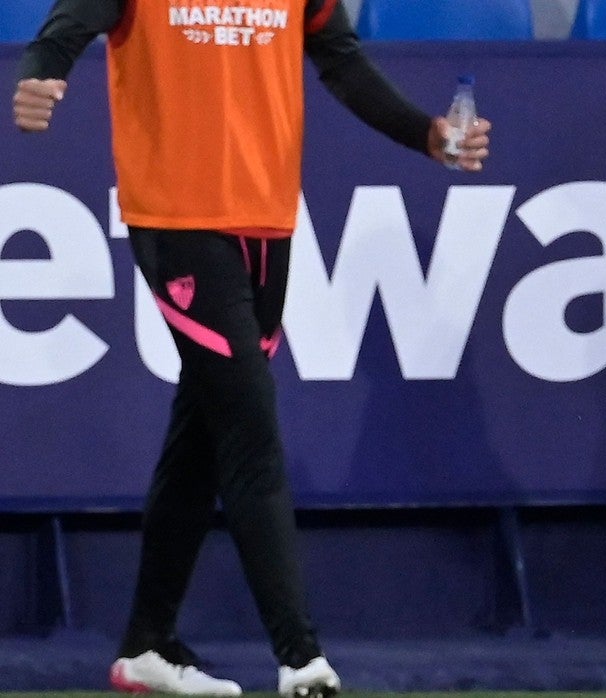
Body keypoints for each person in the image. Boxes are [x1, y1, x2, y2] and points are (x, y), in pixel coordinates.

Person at [13, 1, 490, 695]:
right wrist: (41, 70)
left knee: (205, 429)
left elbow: (340, 58)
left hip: (268, 221)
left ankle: (147, 644)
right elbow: (72, 21)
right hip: (176, 219)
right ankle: (301, 658)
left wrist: (425, 133)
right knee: (249, 425)